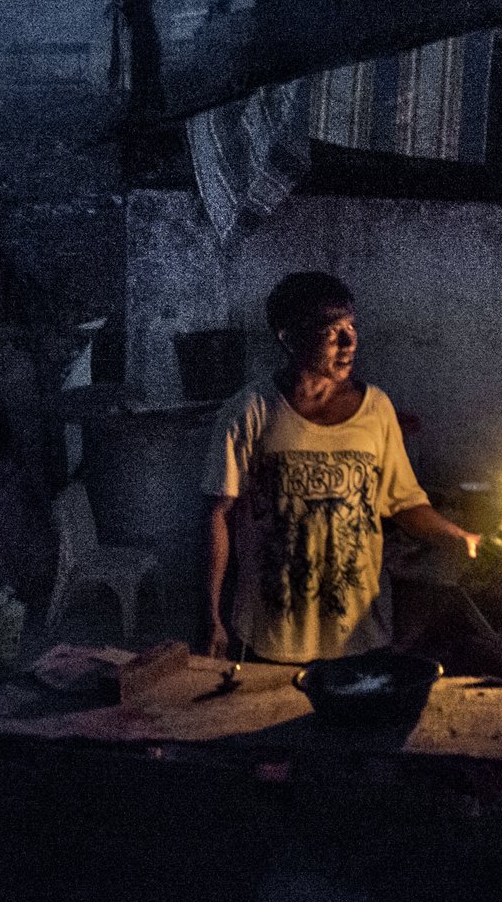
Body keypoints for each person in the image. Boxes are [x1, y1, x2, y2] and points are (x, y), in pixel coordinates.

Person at [201, 272, 478, 664]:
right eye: (331, 331)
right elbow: (219, 515)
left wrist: (460, 538)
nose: (349, 342)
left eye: (351, 327)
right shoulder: (251, 411)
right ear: (289, 336)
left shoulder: (376, 409)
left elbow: (403, 504)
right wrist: (211, 614)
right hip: (272, 637)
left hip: (359, 635)